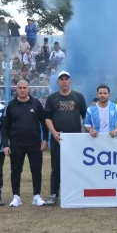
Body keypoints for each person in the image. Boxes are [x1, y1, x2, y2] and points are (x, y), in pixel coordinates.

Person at [1, 80, 49, 207]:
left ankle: (37, 196)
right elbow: (5, 127)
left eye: (24, 87)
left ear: (29, 89)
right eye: (20, 87)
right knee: (16, 170)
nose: (22, 90)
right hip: (16, 144)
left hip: (35, 144)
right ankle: (16, 196)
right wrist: (5, 144)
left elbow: (44, 123)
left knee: (36, 170)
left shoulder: (37, 104)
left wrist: (45, 140)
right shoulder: (11, 105)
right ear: (16, 89)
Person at [44, 71, 87, 206]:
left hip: (75, 139)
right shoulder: (52, 98)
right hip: (58, 138)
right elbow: (47, 118)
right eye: (61, 79)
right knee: (56, 166)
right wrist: (54, 133)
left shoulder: (79, 97)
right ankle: (54, 194)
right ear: (58, 82)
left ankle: (75, 193)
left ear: (70, 81)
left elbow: (86, 117)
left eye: (66, 79)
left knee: (75, 166)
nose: (64, 81)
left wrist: (86, 133)